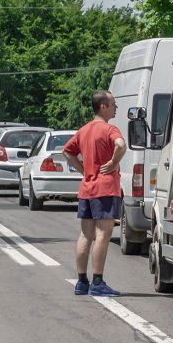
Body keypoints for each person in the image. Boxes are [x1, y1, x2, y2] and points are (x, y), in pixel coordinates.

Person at [63, 90, 127, 296]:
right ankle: (98, 282)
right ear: (103, 106)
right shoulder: (109, 129)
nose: (115, 107)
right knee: (103, 234)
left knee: (85, 234)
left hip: (87, 188)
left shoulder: (84, 130)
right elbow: (121, 145)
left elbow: (67, 151)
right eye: (113, 104)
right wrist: (114, 161)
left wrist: (83, 171)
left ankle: (82, 282)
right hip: (105, 188)